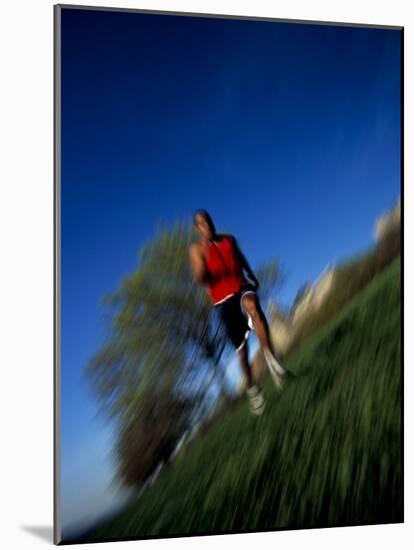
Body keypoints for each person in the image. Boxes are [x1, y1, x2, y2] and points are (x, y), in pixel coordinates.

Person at [188, 209, 288, 416]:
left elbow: (241, 259)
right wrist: (200, 270)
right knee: (242, 353)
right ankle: (252, 389)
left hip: (241, 288)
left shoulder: (228, 240)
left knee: (253, 305)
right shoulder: (197, 250)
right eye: (202, 224)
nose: (207, 227)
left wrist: (252, 276)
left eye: (209, 222)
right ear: (197, 229)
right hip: (223, 302)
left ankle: (273, 362)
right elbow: (199, 276)